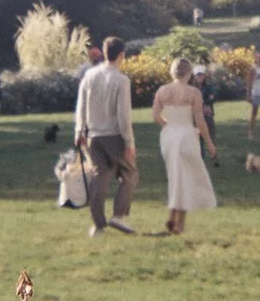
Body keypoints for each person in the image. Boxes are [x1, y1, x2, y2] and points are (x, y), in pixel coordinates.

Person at [74, 36, 138, 237]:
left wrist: (79, 130)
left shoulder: (90, 75)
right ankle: (118, 216)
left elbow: (81, 105)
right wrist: (129, 142)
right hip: (113, 135)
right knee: (130, 174)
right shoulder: (121, 80)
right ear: (121, 55)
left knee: (99, 178)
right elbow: (123, 115)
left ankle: (98, 225)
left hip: (92, 135)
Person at [152, 57, 219, 236]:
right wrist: (210, 144)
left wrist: (168, 125)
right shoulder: (194, 93)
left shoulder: (162, 91)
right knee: (186, 178)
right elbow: (200, 120)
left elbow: (155, 115)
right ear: (188, 73)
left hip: (168, 137)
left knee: (176, 177)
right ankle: (178, 222)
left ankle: (173, 215)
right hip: (186, 135)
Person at [193, 63, 218, 148]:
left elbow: (212, 98)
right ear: (195, 76)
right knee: (198, 140)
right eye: (198, 75)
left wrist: (201, 102)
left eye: (201, 75)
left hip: (207, 115)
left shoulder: (209, 87)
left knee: (210, 138)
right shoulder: (192, 88)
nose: (200, 77)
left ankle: (214, 157)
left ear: (204, 76)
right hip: (196, 116)